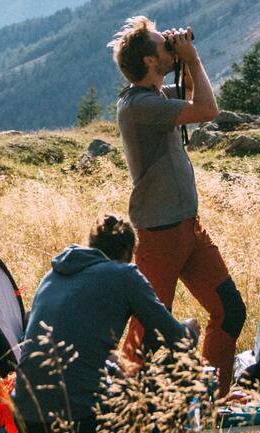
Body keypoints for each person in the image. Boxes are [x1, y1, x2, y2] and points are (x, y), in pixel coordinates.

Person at [107, 16, 244, 396]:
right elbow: (207, 110)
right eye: (162, 44)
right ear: (150, 61)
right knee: (145, 335)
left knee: (229, 310)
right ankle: (121, 411)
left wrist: (182, 60)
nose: (171, 45)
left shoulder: (154, 98)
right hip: (160, 236)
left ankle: (210, 403)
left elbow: (190, 97)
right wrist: (193, 58)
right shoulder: (139, 105)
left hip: (188, 229)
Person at [13, 215, 192, 433]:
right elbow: (178, 338)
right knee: (152, 390)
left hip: (27, 418)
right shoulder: (124, 274)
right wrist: (192, 328)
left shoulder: (53, 275)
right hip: (79, 420)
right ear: (126, 253)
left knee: (113, 377)